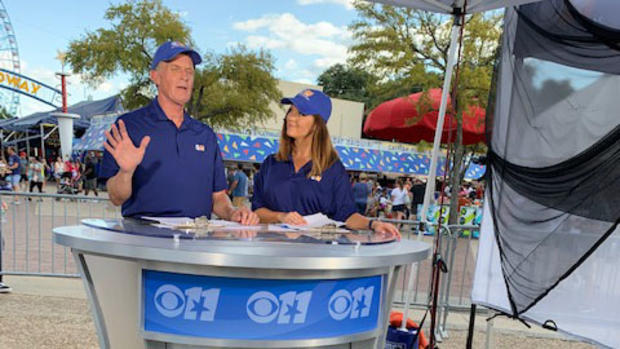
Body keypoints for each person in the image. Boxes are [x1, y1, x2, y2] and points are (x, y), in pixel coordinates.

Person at [101, 41, 258, 224]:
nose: (185, 76)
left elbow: (218, 198)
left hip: (196, 243)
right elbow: (116, 197)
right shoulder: (129, 126)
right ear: (155, 77)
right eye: (175, 69)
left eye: (190, 71)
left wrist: (233, 213)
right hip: (146, 242)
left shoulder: (205, 135)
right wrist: (126, 172)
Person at [252, 89, 399, 236]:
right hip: (270, 250)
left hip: (312, 254)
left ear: (318, 124)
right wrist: (280, 216)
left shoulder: (333, 169)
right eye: (290, 111)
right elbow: (257, 210)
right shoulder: (271, 163)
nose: (291, 117)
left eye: (301, 114)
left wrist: (374, 224)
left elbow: (347, 215)